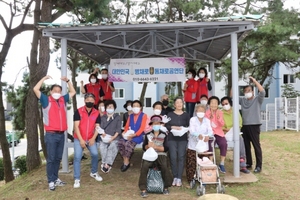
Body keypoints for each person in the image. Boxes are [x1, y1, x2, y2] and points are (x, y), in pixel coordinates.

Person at [33, 75, 76, 191]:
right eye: (55, 90)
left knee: (57, 158)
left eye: (59, 91)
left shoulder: (63, 100)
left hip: (62, 134)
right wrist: (43, 79)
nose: (57, 92)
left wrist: (68, 81)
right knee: (51, 159)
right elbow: (35, 89)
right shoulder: (46, 100)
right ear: (51, 91)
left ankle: (56, 178)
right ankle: (50, 181)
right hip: (51, 135)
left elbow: (73, 91)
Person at [73, 93, 103, 188]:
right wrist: (81, 140)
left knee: (95, 154)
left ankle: (94, 172)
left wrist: (93, 138)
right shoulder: (78, 111)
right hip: (79, 138)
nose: (90, 101)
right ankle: (77, 178)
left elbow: (97, 127)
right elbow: (76, 127)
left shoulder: (96, 113)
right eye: (88, 99)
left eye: (92, 100)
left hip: (91, 138)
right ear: (84, 100)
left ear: (94, 101)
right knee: (77, 157)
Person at [138, 115, 172, 197]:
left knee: (164, 165)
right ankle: (143, 189)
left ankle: (166, 187)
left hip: (161, 154)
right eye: (154, 123)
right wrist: (148, 146)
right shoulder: (148, 135)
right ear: (152, 124)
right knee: (145, 166)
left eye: (158, 123)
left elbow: (166, 148)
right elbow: (144, 147)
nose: (156, 125)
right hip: (150, 154)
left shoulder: (164, 134)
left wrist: (156, 147)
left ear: (160, 124)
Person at [239, 77, 265, 173]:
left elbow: (262, 92)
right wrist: (234, 83)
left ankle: (259, 166)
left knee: (256, 146)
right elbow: (232, 97)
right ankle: (248, 163)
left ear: (253, 92)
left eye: (249, 90)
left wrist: (254, 81)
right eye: (245, 91)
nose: (247, 92)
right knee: (246, 146)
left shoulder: (258, 100)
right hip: (244, 126)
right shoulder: (243, 101)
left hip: (254, 125)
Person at [221, 96, 250, 174]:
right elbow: (221, 126)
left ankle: (242, 161)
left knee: (240, 139)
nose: (225, 105)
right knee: (238, 138)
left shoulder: (235, 112)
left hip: (235, 132)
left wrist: (234, 128)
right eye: (223, 104)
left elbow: (240, 123)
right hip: (226, 133)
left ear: (230, 103)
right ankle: (242, 162)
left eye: (226, 103)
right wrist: (228, 129)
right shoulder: (221, 113)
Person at [187, 104, 213, 187]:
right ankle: (191, 179)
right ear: (196, 111)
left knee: (204, 162)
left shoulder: (207, 121)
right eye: (199, 110)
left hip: (203, 146)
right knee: (192, 163)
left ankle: (204, 178)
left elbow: (210, 131)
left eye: (202, 110)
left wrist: (208, 136)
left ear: (205, 112)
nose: (200, 112)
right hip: (193, 145)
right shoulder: (193, 120)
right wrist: (198, 135)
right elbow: (191, 130)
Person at [165, 97, 190, 187]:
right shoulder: (170, 114)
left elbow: (189, 126)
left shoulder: (186, 115)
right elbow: (166, 126)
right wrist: (173, 127)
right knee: (173, 157)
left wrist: (185, 129)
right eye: (177, 103)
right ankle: (175, 176)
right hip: (172, 138)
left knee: (181, 157)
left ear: (183, 104)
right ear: (174, 105)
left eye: (181, 102)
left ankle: (179, 177)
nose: (179, 104)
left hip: (182, 138)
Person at [118, 100, 148, 172]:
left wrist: (134, 135)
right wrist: (124, 132)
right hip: (129, 134)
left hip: (139, 135)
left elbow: (142, 128)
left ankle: (126, 163)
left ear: (140, 107)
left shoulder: (144, 115)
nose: (135, 107)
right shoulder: (130, 116)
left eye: (137, 106)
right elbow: (126, 126)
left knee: (128, 144)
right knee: (120, 142)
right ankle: (126, 160)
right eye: (134, 106)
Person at [205, 96, 227, 173]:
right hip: (210, 133)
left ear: (218, 104)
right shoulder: (206, 113)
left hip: (218, 132)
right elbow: (205, 125)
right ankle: (211, 162)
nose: (214, 105)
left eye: (215, 103)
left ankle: (222, 163)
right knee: (210, 144)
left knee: (223, 144)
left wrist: (218, 117)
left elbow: (222, 124)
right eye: (212, 103)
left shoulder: (220, 112)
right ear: (209, 104)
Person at [99, 99, 122, 173]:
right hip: (105, 137)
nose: (110, 108)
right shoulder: (103, 117)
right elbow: (101, 128)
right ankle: (105, 162)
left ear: (114, 108)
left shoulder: (117, 117)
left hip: (115, 137)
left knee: (112, 146)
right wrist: (103, 134)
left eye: (111, 107)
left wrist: (113, 137)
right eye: (108, 107)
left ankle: (107, 164)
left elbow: (118, 129)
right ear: (106, 108)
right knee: (102, 147)